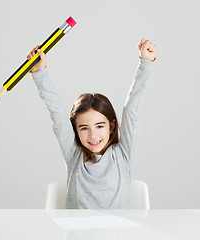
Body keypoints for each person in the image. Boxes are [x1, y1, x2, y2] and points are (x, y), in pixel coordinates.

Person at [27, 39, 157, 209]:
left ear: (111, 126)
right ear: (75, 130)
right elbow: (57, 112)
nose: (93, 135)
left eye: (100, 126)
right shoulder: (74, 155)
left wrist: (146, 63)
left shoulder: (123, 155)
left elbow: (132, 108)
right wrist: (40, 73)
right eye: (84, 128)